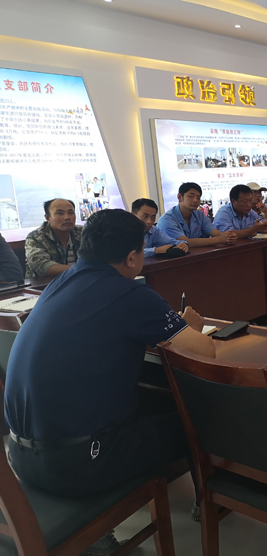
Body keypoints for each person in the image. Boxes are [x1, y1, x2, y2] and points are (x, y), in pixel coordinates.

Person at [4, 210, 215, 551]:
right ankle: (207, 505)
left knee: (148, 398)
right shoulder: (129, 293)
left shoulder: (59, 284)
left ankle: (98, 530)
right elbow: (205, 350)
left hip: (21, 459)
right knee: (196, 415)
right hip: (80, 465)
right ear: (132, 258)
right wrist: (190, 326)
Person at [157, 183, 237, 247]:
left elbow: (215, 233)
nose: (195, 200)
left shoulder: (199, 215)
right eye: (191, 196)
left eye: (198, 197)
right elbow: (186, 242)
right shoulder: (167, 220)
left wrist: (229, 236)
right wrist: (220, 239)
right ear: (180, 197)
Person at [25, 198, 84, 279]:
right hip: (46, 284)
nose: (67, 217)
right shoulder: (35, 237)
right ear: (48, 218)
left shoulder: (83, 232)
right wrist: (82, 269)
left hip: (81, 280)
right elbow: (42, 267)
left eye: (70, 213)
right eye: (60, 213)